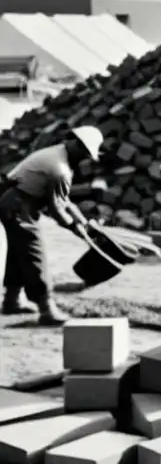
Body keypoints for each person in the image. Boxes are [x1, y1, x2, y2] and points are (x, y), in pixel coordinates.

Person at [0, 126, 104, 325]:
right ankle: (46, 308)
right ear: (76, 143)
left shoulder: (58, 153)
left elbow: (65, 201)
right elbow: (57, 210)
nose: (84, 158)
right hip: (17, 205)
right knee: (34, 253)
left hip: (14, 200)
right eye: (83, 152)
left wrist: (84, 223)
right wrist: (75, 229)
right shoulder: (59, 168)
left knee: (18, 251)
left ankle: (10, 300)